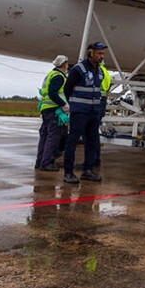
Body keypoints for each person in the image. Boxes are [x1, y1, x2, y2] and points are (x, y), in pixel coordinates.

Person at [62, 41, 107, 183]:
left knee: (92, 142)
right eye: (99, 54)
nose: (101, 57)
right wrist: (73, 105)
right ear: (90, 53)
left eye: (102, 54)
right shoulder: (78, 69)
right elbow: (67, 89)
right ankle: (68, 172)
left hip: (94, 113)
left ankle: (87, 170)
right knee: (73, 141)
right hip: (80, 112)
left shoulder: (99, 71)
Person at [35, 55, 70, 172]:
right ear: (64, 64)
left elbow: (46, 92)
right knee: (53, 137)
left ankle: (40, 161)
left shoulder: (50, 74)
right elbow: (53, 93)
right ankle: (46, 162)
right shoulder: (59, 76)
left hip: (46, 109)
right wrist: (63, 105)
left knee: (44, 136)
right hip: (54, 109)